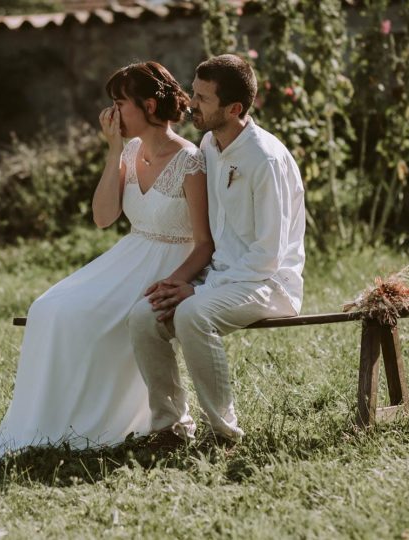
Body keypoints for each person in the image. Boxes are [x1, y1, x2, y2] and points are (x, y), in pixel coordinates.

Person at [0, 61, 213, 461]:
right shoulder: (130, 151)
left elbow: (204, 243)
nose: (112, 114)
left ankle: (99, 422)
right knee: (48, 308)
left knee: (84, 317)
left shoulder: (190, 160)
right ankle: (47, 421)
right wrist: (114, 150)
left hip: (170, 264)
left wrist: (175, 282)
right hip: (130, 254)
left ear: (149, 105)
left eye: (120, 103)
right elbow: (102, 217)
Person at [128, 54, 306, 445]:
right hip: (220, 277)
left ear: (235, 108)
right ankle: (170, 428)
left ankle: (223, 433)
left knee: (192, 313)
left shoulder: (265, 158)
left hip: (268, 282)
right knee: (144, 315)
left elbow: (268, 254)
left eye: (203, 98)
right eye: (194, 93)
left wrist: (200, 290)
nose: (192, 103)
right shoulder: (209, 143)